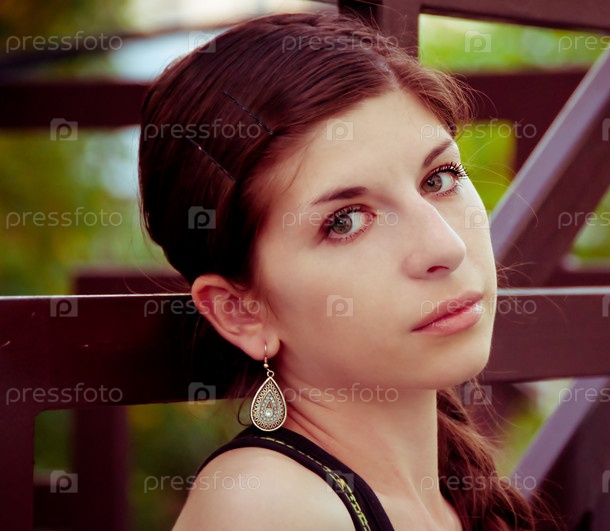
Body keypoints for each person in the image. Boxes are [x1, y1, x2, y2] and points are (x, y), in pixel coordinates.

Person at [139, 11, 538, 530]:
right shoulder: (266, 508)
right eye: (346, 221)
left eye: (439, 179)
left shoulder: (451, 499)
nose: (446, 245)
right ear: (241, 312)